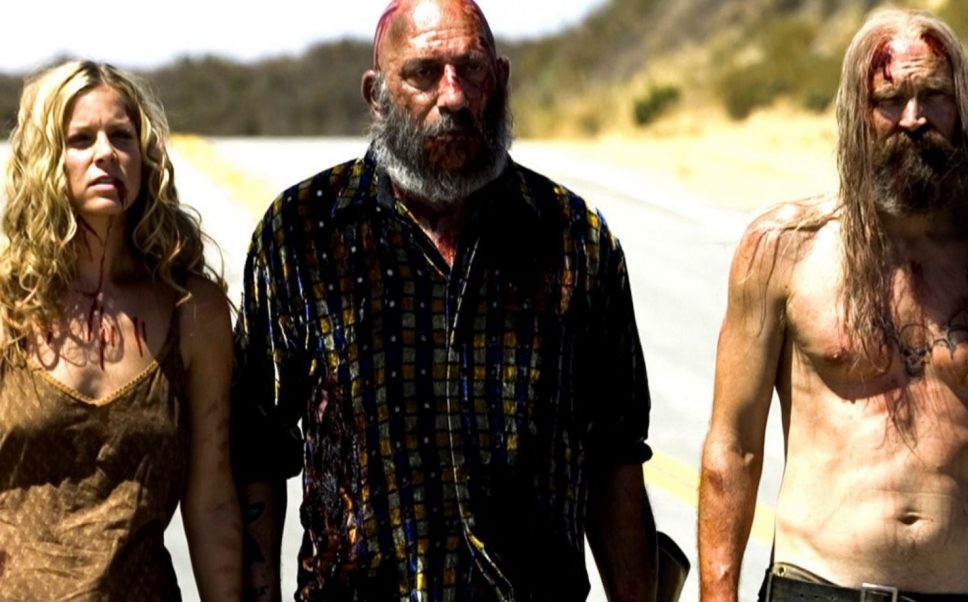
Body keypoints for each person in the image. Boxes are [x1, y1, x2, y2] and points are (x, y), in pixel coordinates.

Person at [231, 0, 657, 600]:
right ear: (377, 95)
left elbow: (615, 453)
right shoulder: (302, 232)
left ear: (500, 79)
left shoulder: (573, 237)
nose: (453, 96)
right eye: (424, 73)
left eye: (471, 70)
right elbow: (257, 451)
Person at [698, 8, 968, 602]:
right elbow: (733, 448)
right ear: (856, 112)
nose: (914, 118)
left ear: (964, 107)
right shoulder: (784, 249)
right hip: (820, 588)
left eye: (934, 95)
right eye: (890, 100)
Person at [0, 61, 241, 600]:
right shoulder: (8, 304)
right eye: (81, 139)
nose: (106, 153)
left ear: (145, 155)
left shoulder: (192, 309)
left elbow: (212, 498)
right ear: (44, 158)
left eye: (122, 136)